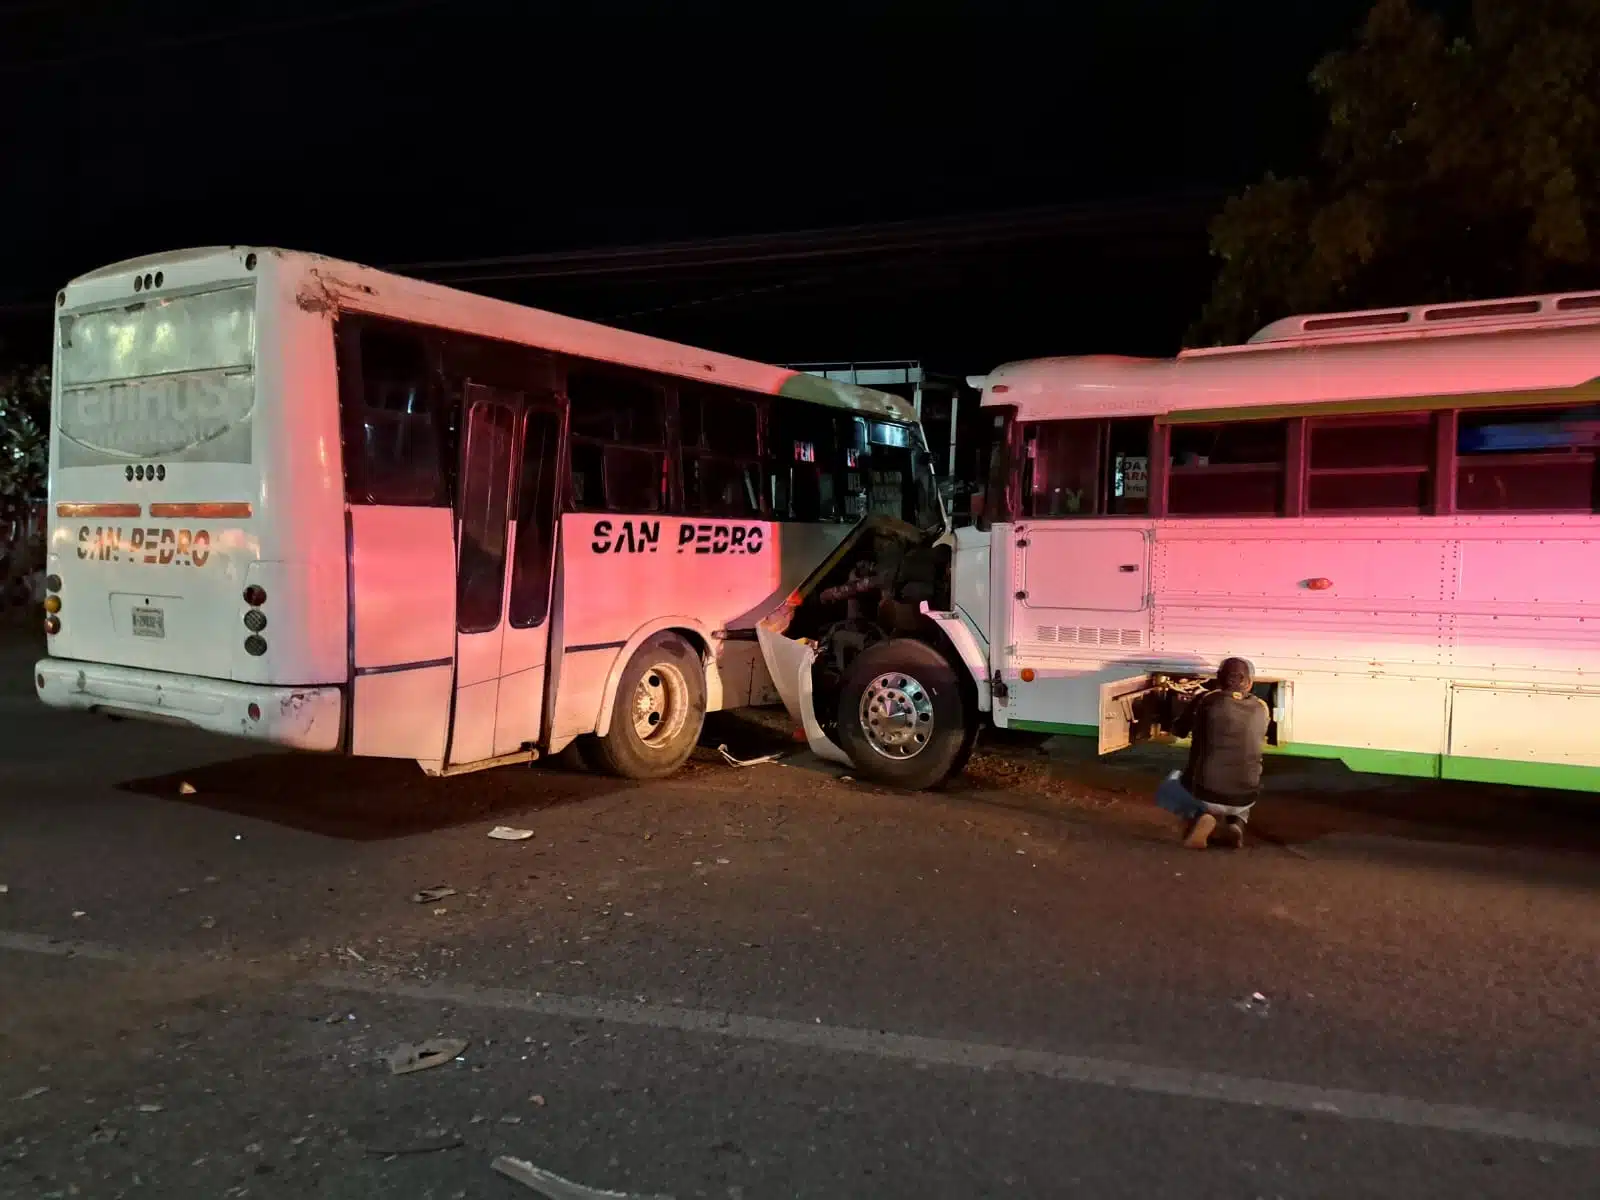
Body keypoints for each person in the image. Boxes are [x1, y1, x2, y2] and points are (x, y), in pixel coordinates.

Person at [1156, 657, 1269, 849]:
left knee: (1167, 789)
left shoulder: (1206, 700)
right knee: (1242, 779)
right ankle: (1236, 825)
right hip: (1246, 796)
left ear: (1218, 679)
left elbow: (1179, 730)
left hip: (1207, 793)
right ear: (1249, 683)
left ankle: (1199, 817)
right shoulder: (1262, 707)